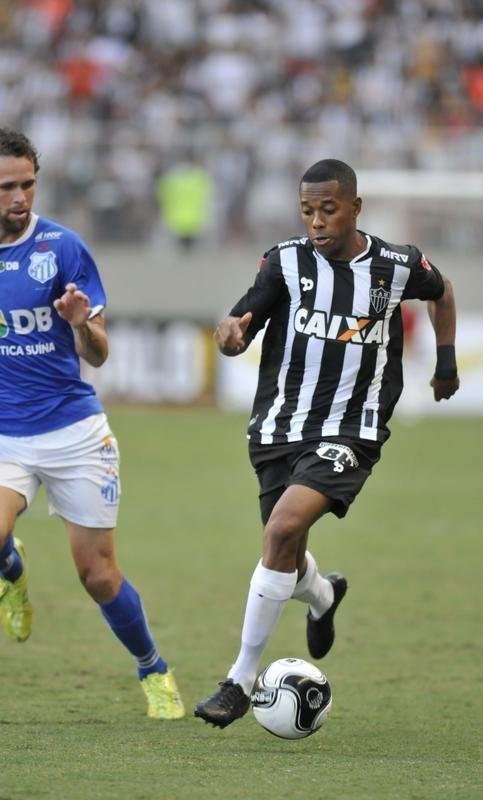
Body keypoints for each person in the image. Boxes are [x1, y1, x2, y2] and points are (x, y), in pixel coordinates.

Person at [194, 158, 459, 728]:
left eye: (329, 209)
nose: (316, 221)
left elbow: (443, 292)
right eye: (308, 210)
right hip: (277, 429)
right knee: (282, 556)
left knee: (283, 529)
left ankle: (239, 680)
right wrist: (230, 335)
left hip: (351, 428)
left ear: (356, 207)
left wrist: (445, 362)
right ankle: (323, 595)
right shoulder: (284, 262)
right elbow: (239, 325)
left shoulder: (396, 265)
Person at [0, 127, 184, 720]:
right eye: (8, 186)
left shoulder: (63, 249)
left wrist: (82, 323)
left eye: (29, 184)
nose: (21, 197)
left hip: (72, 429)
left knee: (99, 576)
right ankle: (10, 569)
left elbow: (99, 355)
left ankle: (153, 669)